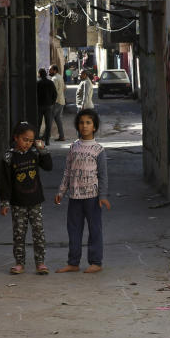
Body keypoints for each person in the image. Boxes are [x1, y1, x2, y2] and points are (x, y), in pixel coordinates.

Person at [54, 109, 110, 273]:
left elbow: (103, 175)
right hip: (74, 197)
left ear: (94, 127)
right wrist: (61, 191)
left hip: (93, 198)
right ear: (77, 126)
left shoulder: (98, 149)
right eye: (81, 122)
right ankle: (73, 262)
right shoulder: (73, 148)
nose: (84, 126)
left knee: (95, 230)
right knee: (73, 230)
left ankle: (96, 262)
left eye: (88, 122)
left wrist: (103, 196)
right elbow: (67, 172)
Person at [0, 121, 53, 275]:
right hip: (18, 203)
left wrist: (43, 150)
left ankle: (40, 263)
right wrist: (4, 202)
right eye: (25, 139)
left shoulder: (35, 153)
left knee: (38, 232)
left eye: (31, 141)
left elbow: (49, 166)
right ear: (16, 138)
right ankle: (19, 263)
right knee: (19, 235)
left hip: (35, 201)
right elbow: (5, 182)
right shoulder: (9, 157)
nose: (28, 144)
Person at [36, 68, 57, 143]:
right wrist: (52, 103)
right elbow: (55, 94)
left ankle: (37, 140)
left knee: (38, 123)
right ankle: (47, 140)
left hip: (39, 106)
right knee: (48, 124)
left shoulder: (38, 83)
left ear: (40, 74)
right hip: (48, 106)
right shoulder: (50, 82)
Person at [49, 64, 66, 141]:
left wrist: (52, 101)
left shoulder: (54, 79)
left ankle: (46, 136)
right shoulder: (60, 77)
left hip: (56, 102)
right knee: (58, 120)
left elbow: (54, 92)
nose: (49, 71)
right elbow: (64, 88)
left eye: (50, 70)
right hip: (61, 101)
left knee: (49, 119)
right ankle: (61, 136)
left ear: (55, 70)